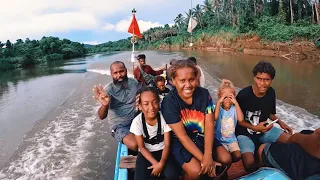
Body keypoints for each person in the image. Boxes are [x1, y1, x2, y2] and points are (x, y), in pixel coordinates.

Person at [161, 60, 232, 179]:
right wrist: (204, 159)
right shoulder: (169, 103)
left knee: (226, 159)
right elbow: (182, 136)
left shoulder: (204, 94)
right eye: (182, 81)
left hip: (202, 136)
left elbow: (209, 125)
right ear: (173, 81)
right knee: (196, 171)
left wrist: (208, 155)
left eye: (191, 79)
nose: (188, 85)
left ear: (196, 79)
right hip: (181, 142)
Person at [235, 60, 293, 172]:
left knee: (290, 140)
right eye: (259, 79)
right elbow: (239, 121)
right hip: (245, 133)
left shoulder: (271, 93)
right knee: (250, 163)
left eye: (267, 80)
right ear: (254, 78)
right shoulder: (244, 95)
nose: (262, 83)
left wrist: (281, 123)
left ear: (272, 80)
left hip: (264, 130)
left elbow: (270, 113)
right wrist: (255, 128)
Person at [130, 87, 179, 180]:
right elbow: (141, 147)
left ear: (159, 103)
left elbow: (167, 144)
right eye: (146, 104)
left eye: (155, 102)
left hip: (163, 151)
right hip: (146, 153)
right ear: (140, 106)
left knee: (172, 176)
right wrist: (155, 164)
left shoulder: (164, 118)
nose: (151, 107)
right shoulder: (137, 122)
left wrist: (161, 163)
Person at [93, 61, 138, 151]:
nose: (119, 75)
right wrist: (105, 105)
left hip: (136, 119)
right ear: (111, 74)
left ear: (126, 70)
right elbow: (101, 116)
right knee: (135, 145)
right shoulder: (108, 90)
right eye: (115, 73)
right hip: (120, 126)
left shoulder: (134, 83)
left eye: (121, 71)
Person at [214, 79, 243, 163]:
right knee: (225, 157)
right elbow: (214, 118)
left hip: (231, 140)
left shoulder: (234, 109)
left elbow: (241, 119)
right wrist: (219, 102)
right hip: (219, 139)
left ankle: (228, 165)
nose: (227, 99)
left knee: (237, 156)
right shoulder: (217, 108)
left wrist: (236, 103)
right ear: (220, 97)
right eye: (224, 97)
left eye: (230, 97)